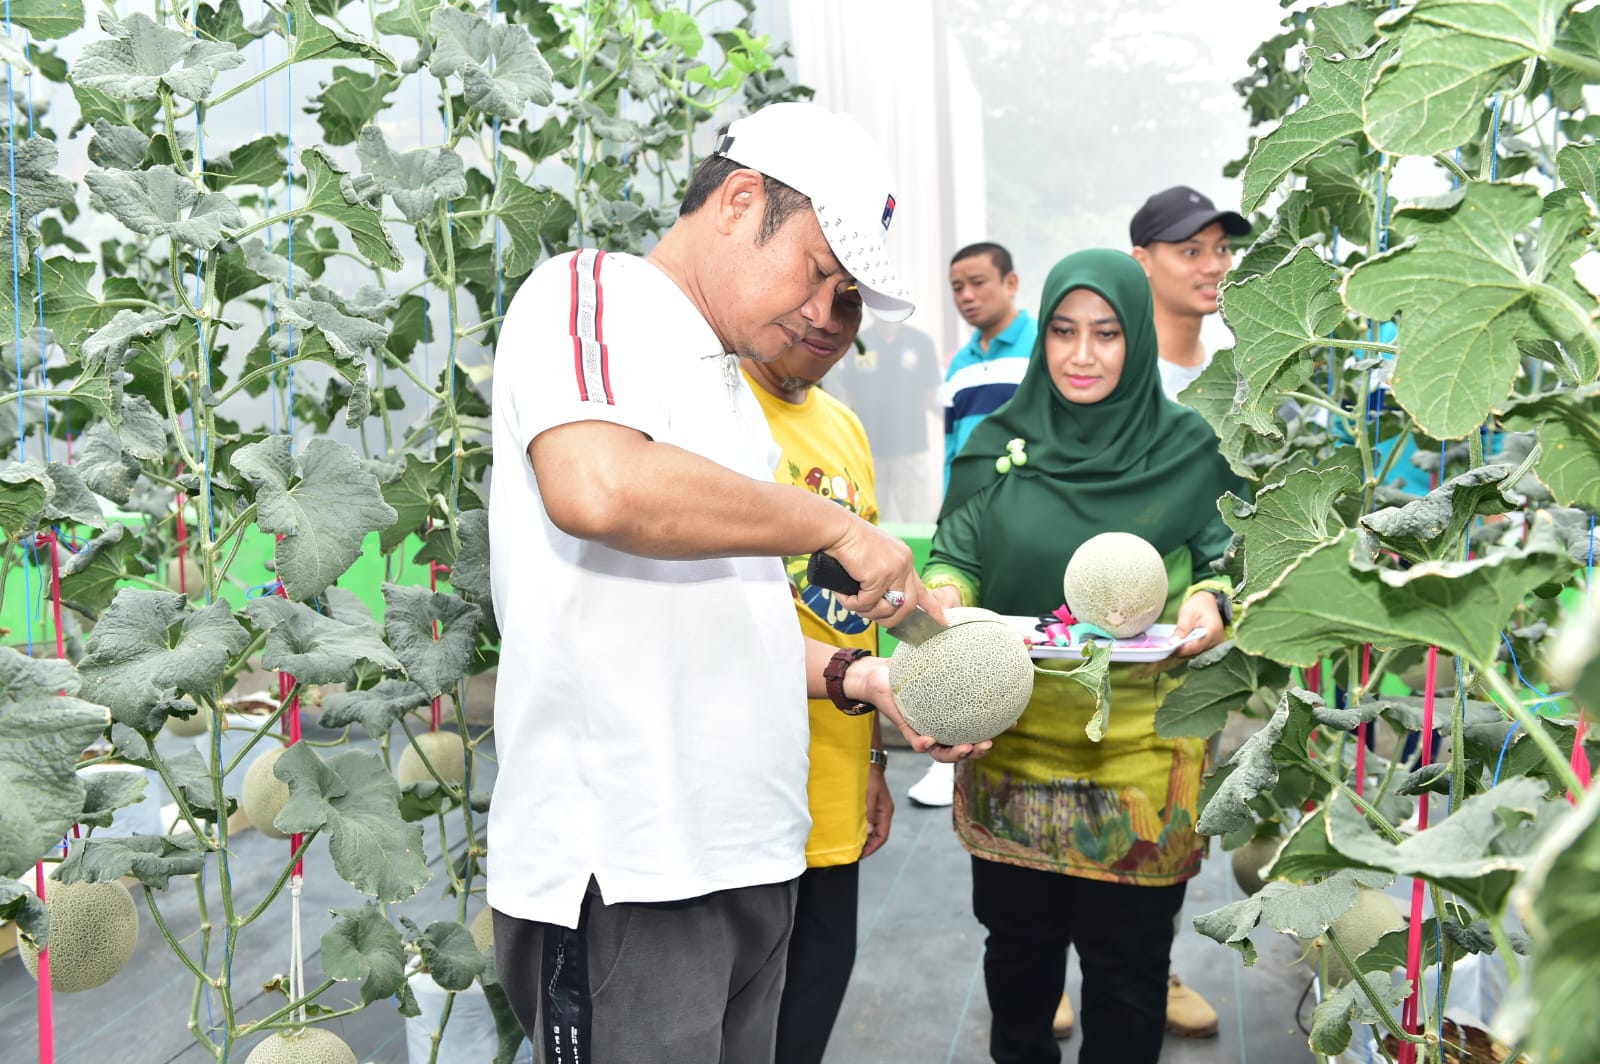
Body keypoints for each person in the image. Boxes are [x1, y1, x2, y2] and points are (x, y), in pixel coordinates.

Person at [486, 101, 987, 1064]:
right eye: (817, 271)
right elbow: (595, 486)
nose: (820, 313)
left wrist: (863, 679)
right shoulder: (590, 293)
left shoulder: (728, 391)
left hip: (751, 859)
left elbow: (725, 623)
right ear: (739, 199)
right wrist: (836, 524)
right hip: (631, 873)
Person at [924, 249, 1241, 1064]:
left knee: (1129, 973)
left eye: (1106, 333)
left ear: (1136, 337)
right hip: (1013, 744)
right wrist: (947, 597)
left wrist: (1209, 601)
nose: (1082, 354)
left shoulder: (1188, 446)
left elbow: (1219, 561)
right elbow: (953, 555)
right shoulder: (998, 441)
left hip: (1141, 754)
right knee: (1018, 961)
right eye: (1063, 331)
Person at [742, 291, 893, 1064]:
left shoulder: (844, 427)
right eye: (813, 289)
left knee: (809, 1011)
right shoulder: (721, 420)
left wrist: (873, 762)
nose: (828, 320)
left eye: (851, 303)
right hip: (744, 793)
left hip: (833, 784)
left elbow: (857, 612)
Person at [910, 242, 1035, 809]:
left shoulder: (1042, 347)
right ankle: (945, 741)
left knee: (1010, 636)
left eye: (979, 282)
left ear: (1011, 283)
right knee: (941, 621)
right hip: (966, 516)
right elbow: (955, 450)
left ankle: (995, 739)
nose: (967, 296)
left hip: (1020, 516)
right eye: (957, 287)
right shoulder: (959, 365)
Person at [1128, 185, 1250, 400]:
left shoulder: (1235, 365)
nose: (1213, 267)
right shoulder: (1125, 380)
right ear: (1142, 261)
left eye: (1222, 249)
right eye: (1191, 252)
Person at [824, 315, 942, 524]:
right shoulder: (859, 343)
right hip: (870, 452)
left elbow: (929, 394)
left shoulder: (920, 342)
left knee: (918, 521)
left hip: (911, 449)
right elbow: (851, 395)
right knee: (869, 522)